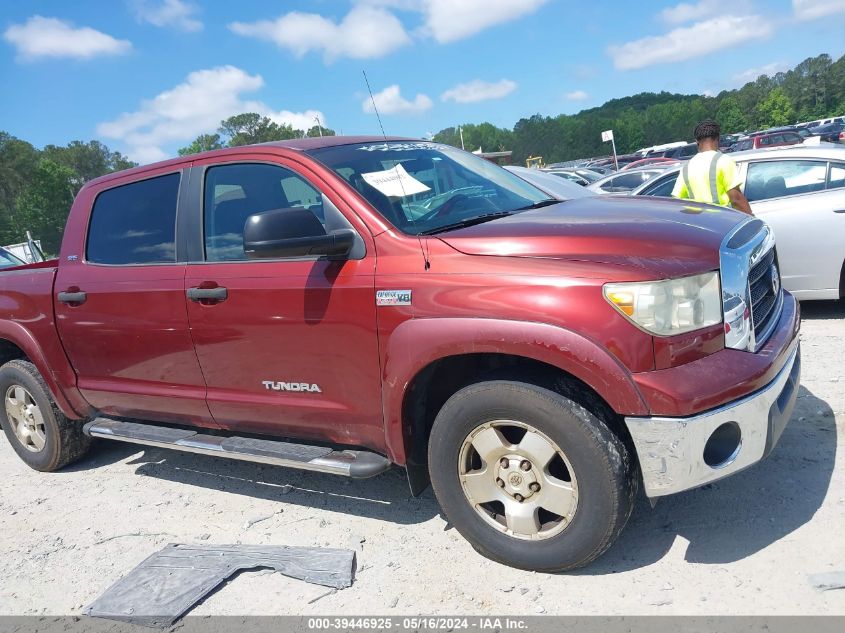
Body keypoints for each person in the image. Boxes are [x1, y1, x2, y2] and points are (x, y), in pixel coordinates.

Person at [671, 120, 753, 214]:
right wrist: (751, 219)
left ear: (697, 141)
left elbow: (677, 201)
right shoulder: (723, 161)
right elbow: (736, 199)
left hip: (700, 224)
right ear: (718, 138)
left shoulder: (687, 167)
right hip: (722, 221)